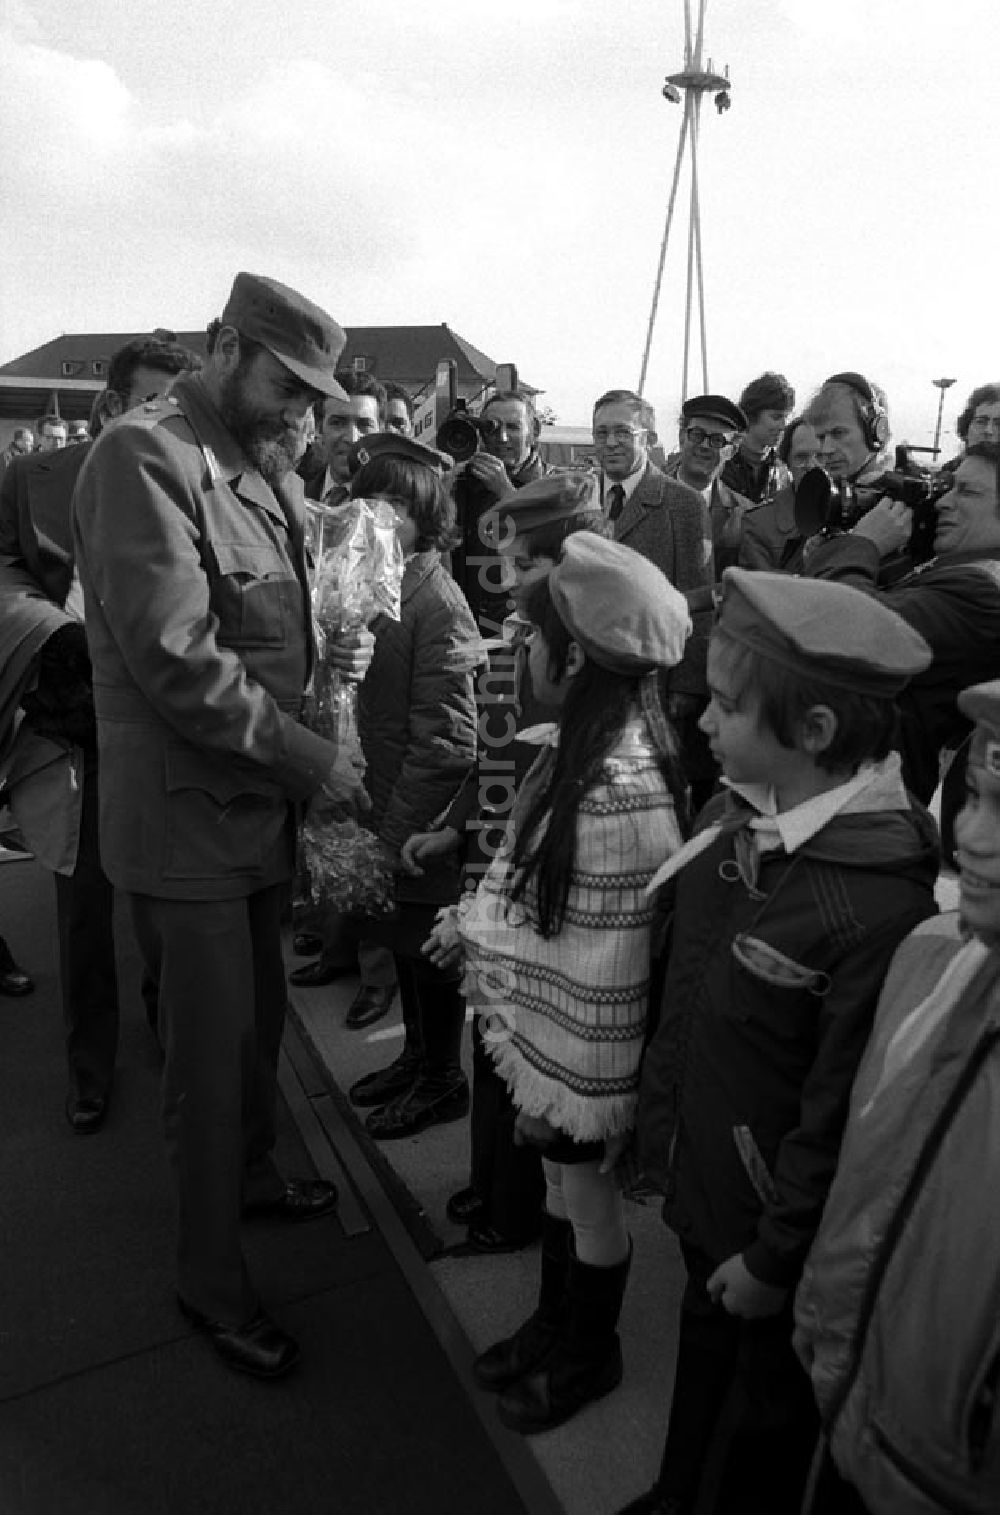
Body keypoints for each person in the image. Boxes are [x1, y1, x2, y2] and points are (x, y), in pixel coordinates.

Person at [71, 272, 371, 1379]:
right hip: (190, 825)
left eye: (313, 392)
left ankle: (251, 1176)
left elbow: (269, 632)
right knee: (203, 1063)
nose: (303, 408)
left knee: (253, 1035)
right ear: (223, 345)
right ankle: (210, 1283)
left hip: (252, 818)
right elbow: (176, 663)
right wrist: (312, 761)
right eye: (286, 383)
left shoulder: (258, 467)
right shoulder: (147, 457)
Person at [625, 569, 939, 1515]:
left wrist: (772, 1256)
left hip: (770, 1240)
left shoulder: (874, 906)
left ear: (813, 734)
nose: (703, 723)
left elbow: (838, 1114)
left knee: (757, 1425)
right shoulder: (743, 816)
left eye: (725, 705)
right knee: (701, 1361)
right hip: (708, 1190)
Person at [428, 532, 692, 1435]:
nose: (520, 652)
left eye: (529, 637)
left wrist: (470, 931)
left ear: (573, 656)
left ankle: (590, 1348)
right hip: (559, 1042)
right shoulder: (588, 748)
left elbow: (590, 946)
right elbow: (533, 891)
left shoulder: (615, 785)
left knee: (587, 1200)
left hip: (584, 1055)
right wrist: (476, 920)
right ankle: (554, 1324)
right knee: (557, 1189)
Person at [794, 673, 1000, 1515]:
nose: (974, 837)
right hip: (851, 1413)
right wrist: (824, 1333)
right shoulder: (931, 959)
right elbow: (870, 1183)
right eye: (978, 795)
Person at [0, 333, 201, 1133]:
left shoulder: (198, 477)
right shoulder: (29, 476)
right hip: (76, 725)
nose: (165, 421)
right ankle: (91, 1069)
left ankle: (169, 1037)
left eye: (176, 409)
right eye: (151, 403)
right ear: (111, 404)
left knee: (168, 911)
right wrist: (47, 627)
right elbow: (5, 567)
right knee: (84, 913)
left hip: (173, 727)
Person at [405, 473, 608, 1252]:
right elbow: (498, 754)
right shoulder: (531, 638)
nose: (508, 579)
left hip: (533, 887)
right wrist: (457, 827)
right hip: (493, 866)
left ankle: (515, 1209)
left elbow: (543, 773)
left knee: (521, 1052)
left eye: (525, 564)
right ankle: (490, 1182)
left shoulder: (586, 654)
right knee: (491, 1045)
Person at [336, 432, 479, 1136]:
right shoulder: (375, 581)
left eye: (399, 502)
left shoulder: (437, 599)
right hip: (381, 804)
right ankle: (417, 1057)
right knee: (401, 945)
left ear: (428, 516)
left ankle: (442, 1076)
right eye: (373, 499)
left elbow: (449, 739)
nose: (383, 515)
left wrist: (397, 835)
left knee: (429, 952)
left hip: (416, 820)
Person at [805, 441, 1000, 844]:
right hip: (848, 798)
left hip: (868, 820)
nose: (944, 502)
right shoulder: (948, 567)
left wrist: (864, 545)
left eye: (968, 492)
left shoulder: (984, 591)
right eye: (948, 487)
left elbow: (852, 629)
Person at [591, 387, 715, 806]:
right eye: (602, 432)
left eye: (623, 432)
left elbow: (699, 602)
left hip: (655, 683)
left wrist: (688, 686)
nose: (610, 443)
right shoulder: (578, 496)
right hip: (592, 677)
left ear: (648, 436)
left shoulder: (683, 504)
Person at [662, 393, 755, 575]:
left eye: (717, 440)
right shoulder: (644, 497)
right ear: (682, 437)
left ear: (732, 450)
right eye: (697, 435)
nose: (705, 446)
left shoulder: (745, 515)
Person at [738, 415, 819, 574]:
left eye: (820, 456)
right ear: (787, 463)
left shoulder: (858, 513)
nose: (811, 466)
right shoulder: (758, 525)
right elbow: (761, 591)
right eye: (801, 458)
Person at [307, 369, 385, 507]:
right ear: (319, 428)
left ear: (381, 431)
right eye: (338, 423)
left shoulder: (401, 505)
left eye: (364, 425)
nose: (353, 438)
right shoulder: (293, 500)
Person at [720, 371, 795, 503]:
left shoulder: (783, 473)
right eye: (776, 417)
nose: (783, 425)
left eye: (786, 417)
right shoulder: (721, 463)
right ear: (752, 415)